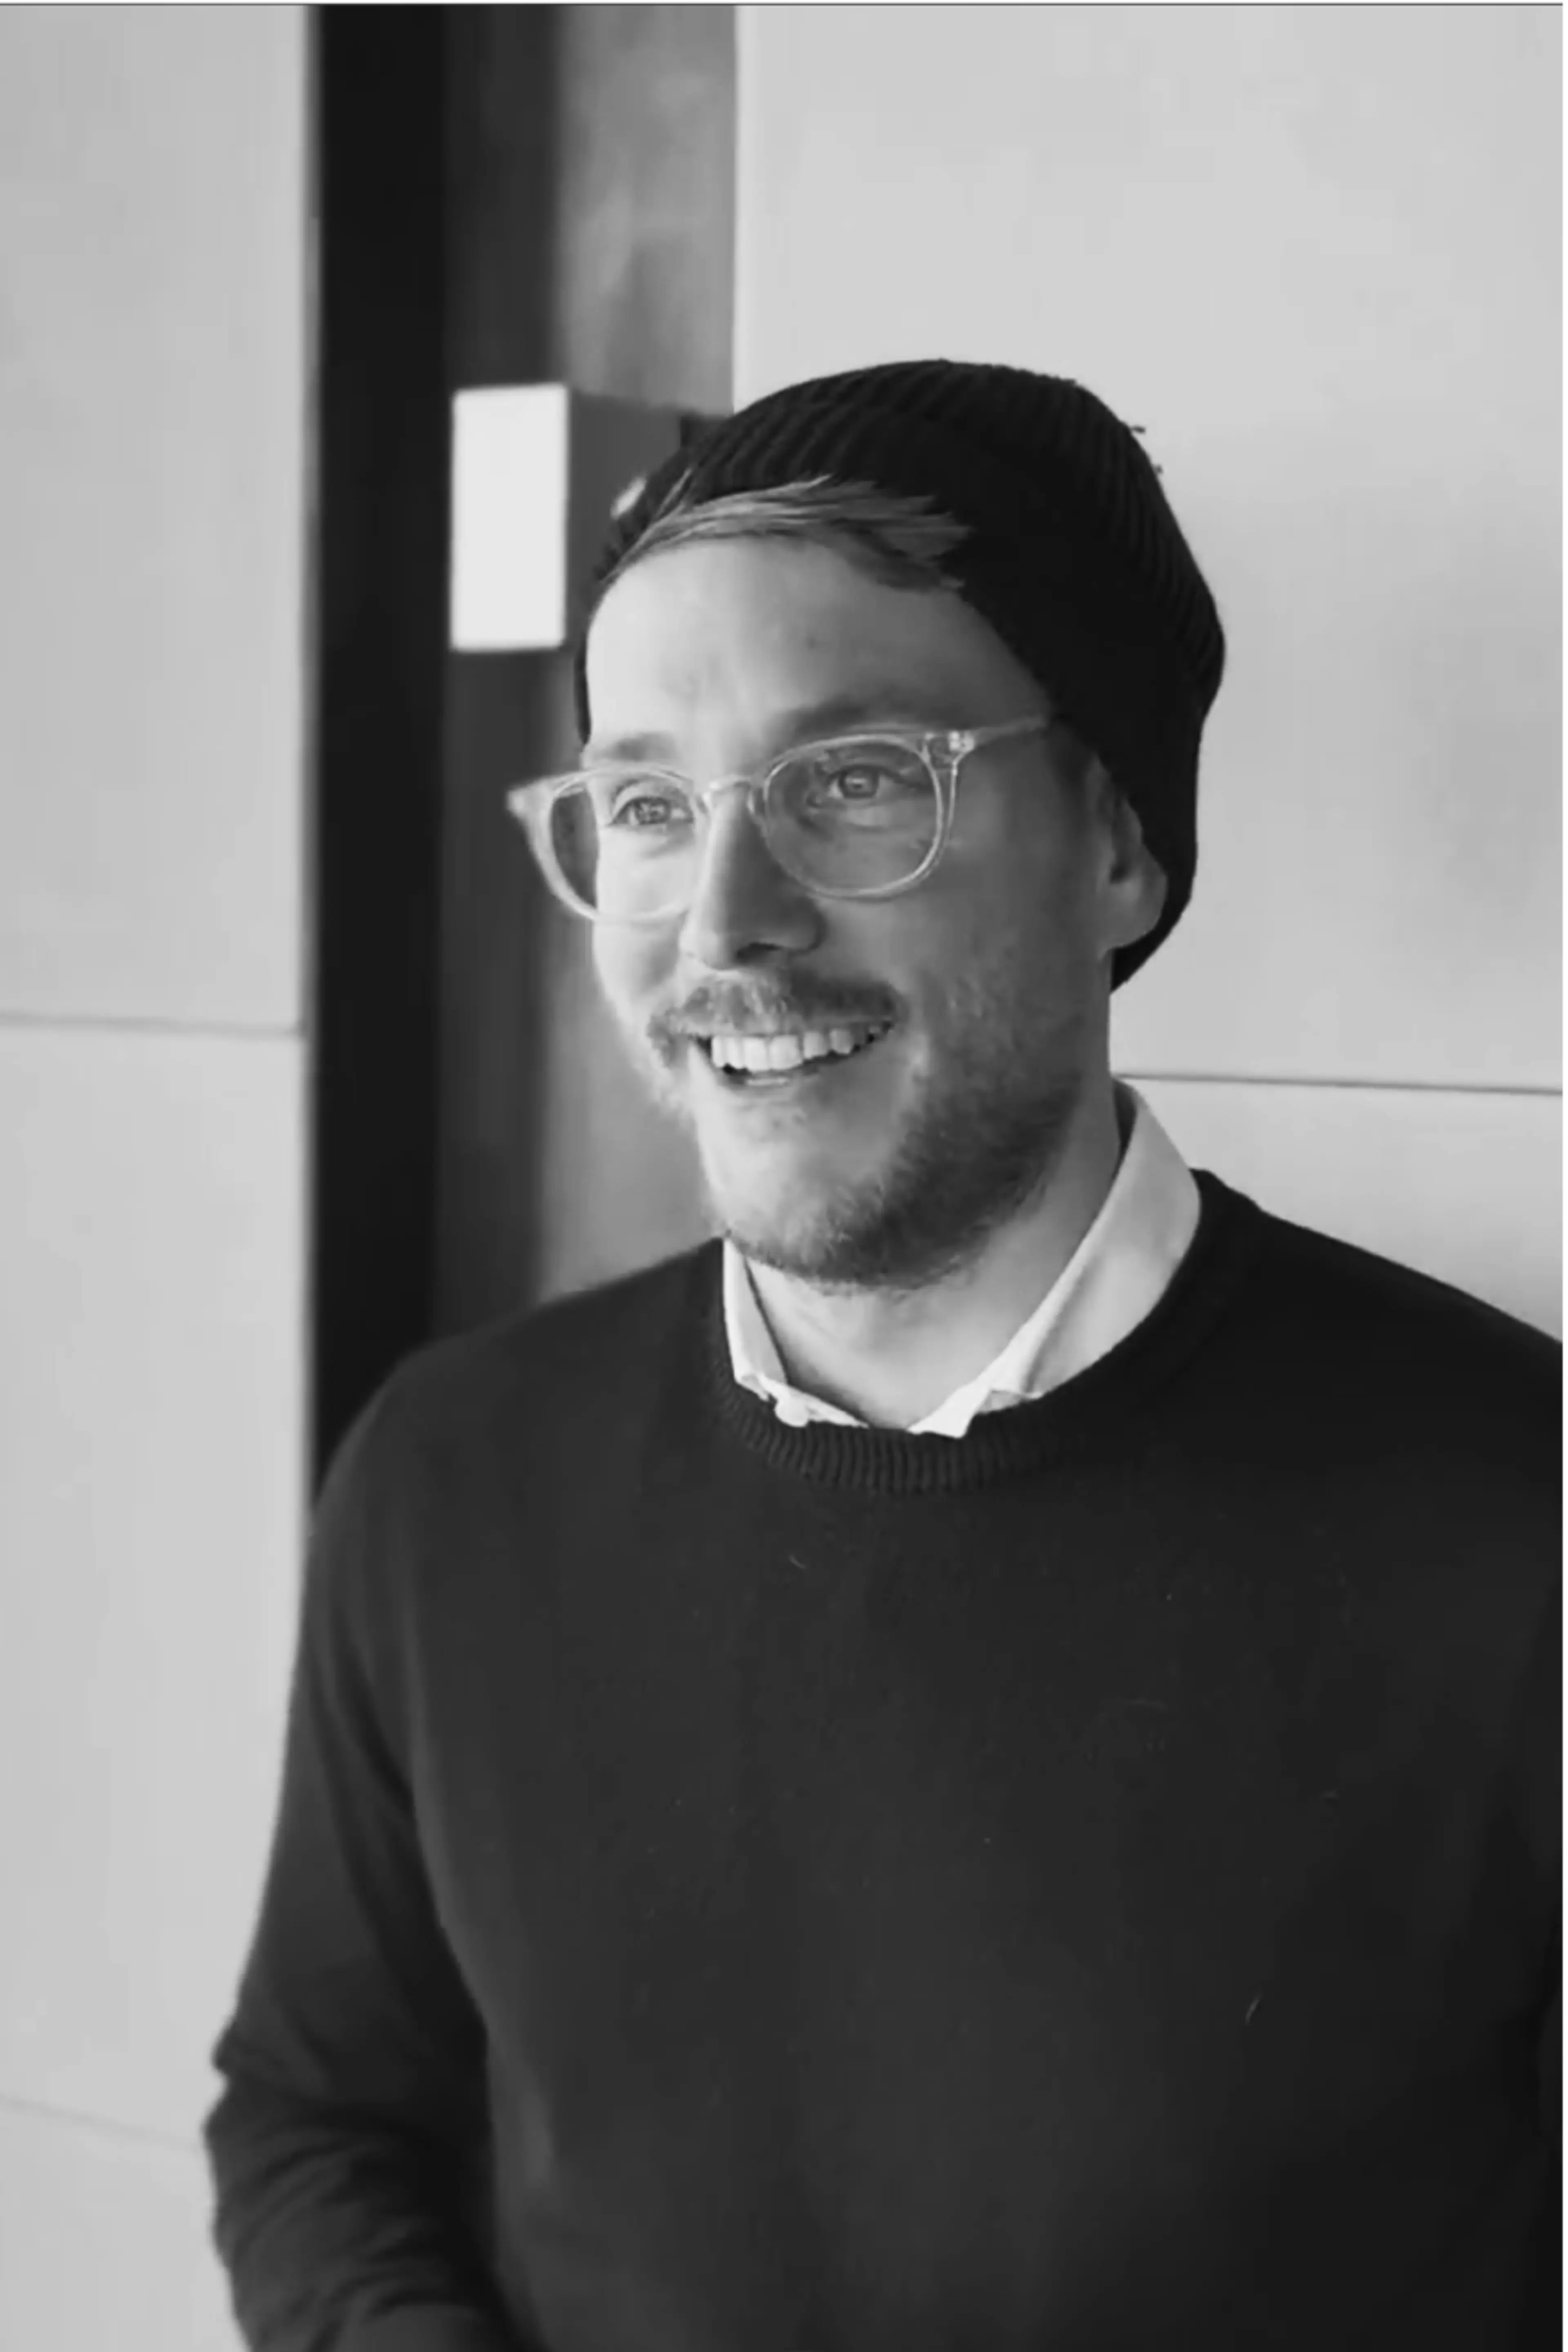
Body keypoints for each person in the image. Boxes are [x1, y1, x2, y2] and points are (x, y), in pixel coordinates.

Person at [204, 360, 1563, 2350]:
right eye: (651, 804)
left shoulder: (1516, 1523)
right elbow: (323, 2121)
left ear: (1117, 842)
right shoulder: (449, 1477)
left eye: (855, 783)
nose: (725, 927)